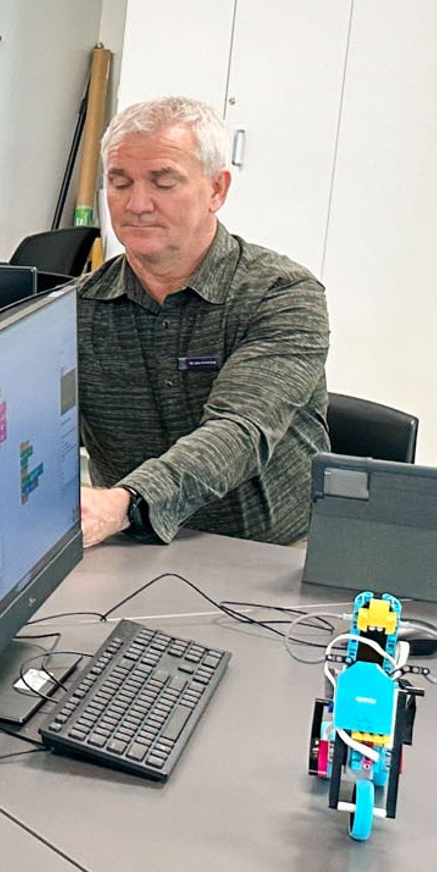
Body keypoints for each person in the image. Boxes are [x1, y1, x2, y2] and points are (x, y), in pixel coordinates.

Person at [76, 95, 329, 549]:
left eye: (163, 182)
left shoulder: (282, 294)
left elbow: (239, 430)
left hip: (274, 555)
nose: (137, 204)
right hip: (131, 547)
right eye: (119, 182)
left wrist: (124, 504)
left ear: (217, 189)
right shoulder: (78, 309)